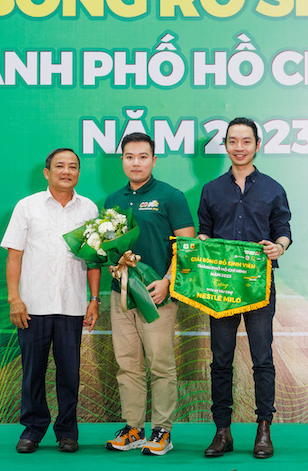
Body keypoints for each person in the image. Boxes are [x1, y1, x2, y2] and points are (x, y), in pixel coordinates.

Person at [197, 118, 291, 460]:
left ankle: (264, 429)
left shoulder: (273, 188)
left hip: (258, 285)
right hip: (221, 287)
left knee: (262, 358)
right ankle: (222, 431)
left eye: (246, 141)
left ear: (257, 144)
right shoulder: (211, 190)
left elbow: (283, 230)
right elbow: (204, 230)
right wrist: (202, 244)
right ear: (225, 145)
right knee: (220, 359)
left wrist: (279, 247)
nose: (239, 147)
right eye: (233, 141)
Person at [1, 148, 101, 454]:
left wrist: (94, 299)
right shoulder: (27, 206)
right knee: (33, 372)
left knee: (70, 373)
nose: (66, 171)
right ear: (47, 172)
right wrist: (14, 298)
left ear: (79, 173)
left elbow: (94, 260)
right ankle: (32, 430)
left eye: (73, 166)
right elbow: (14, 256)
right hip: (33, 306)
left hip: (72, 305)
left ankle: (67, 432)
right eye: (60, 166)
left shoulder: (89, 209)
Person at [104, 132, 195, 456]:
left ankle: (162, 431)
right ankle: (133, 428)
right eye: (130, 157)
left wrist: (168, 281)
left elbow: (187, 246)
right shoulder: (112, 200)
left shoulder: (171, 196)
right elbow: (110, 248)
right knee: (127, 364)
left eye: (143, 157)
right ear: (122, 161)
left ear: (153, 161)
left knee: (160, 365)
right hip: (121, 294)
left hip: (157, 295)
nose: (136, 163)